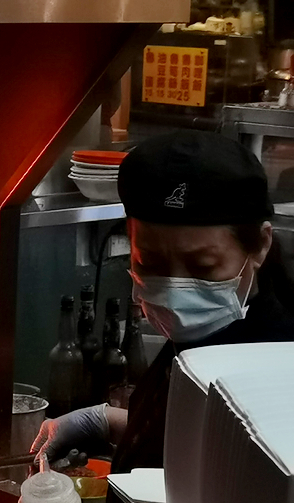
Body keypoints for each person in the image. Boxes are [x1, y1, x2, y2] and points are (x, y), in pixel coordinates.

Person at [30, 130, 294, 475]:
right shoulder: (200, 341)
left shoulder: (275, 367)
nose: (173, 291)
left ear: (260, 245)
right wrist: (108, 422)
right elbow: (188, 437)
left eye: (203, 267)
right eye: (149, 263)